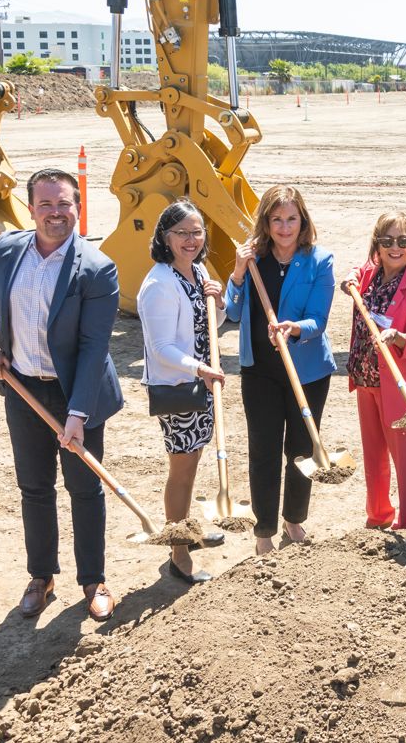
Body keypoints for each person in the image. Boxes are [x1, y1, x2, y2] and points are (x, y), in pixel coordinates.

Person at [0, 168, 123, 621]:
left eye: (64, 204)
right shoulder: (8, 250)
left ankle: (93, 580)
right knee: (35, 487)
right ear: (31, 209)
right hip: (22, 388)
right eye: (46, 205)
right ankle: (41, 577)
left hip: (76, 393)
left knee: (85, 488)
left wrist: (78, 414)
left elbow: (93, 348)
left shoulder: (96, 268)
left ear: (77, 207)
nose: (56, 213)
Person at [225, 185, 336, 556]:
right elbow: (233, 312)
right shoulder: (254, 258)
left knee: (302, 449)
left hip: (306, 370)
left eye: (291, 219)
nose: (285, 227)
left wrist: (294, 328)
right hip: (259, 370)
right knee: (264, 449)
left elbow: (318, 319)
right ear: (266, 222)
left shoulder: (320, 261)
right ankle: (264, 530)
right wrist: (238, 274)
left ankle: (293, 519)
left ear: (302, 220)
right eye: (277, 220)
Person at [136, 201, 228, 584]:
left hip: (202, 384)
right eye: (182, 233)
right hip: (180, 388)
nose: (191, 240)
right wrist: (200, 369)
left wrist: (219, 301)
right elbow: (161, 349)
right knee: (181, 470)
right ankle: (178, 550)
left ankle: (186, 526)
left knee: (192, 464)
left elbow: (210, 325)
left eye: (196, 232)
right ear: (164, 237)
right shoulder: (159, 283)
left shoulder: (195, 271)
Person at [341, 212, 406, 531]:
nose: (395, 248)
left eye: (403, 241)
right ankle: (378, 514)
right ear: (377, 245)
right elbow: (358, 270)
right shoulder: (371, 273)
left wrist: (398, 337)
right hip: (367, 378)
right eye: (387, 241)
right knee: (374, 455)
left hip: (401, 387)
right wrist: (351, 278)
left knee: (405, 458)